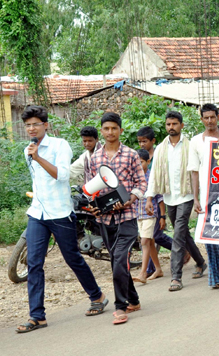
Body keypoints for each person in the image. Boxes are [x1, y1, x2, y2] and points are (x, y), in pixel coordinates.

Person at [16, 106, 107, 333]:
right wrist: (33, 155)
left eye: (36, 124)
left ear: (45, 125)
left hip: (60, 212)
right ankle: (37, 316)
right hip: (37, 213)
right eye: (27, 125)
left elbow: (62, 176)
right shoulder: (28, 149)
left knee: (72, 258)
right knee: (35, 263)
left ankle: (97, 296)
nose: (31, 128)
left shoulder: (59, 145)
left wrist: (37, 157)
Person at [88, 112, 146, 325]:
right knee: (116, 261)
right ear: (101, 131)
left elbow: (141, 183)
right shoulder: (95, 158)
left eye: (114, 128)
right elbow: (91, 188)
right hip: (105, 219)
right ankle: (134, 299)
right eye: (106, 128)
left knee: (120, 258)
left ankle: (120, 307)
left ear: (121, 130)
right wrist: (93, 207)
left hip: (128, 216)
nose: (110, 132)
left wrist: (131, 198)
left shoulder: (131, 155)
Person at [145, 111, 206, 292]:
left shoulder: (190, 146)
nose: (171, 127)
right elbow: (155, 175)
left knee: (178, 234)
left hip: (186, 196)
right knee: (184, 234)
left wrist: (196, 198)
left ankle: (176, 277)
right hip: (169, 197)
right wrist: (150, 197)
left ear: (181, 125)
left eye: (174, 124)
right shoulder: (161, 149)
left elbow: (196, 172)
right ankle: (201, 262)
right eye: (168, 124)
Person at [188, 104, 219, 292]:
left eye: (212, 117)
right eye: (206, 118)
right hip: (207, 195)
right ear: (202, 119)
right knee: (210, 237)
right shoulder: (195, 141)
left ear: (218, 117)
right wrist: (195, 198)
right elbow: (194, 171)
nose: (209, 121)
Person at [132, 149, 167, 284]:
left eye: (140, 162)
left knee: (144, 242)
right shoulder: (134, 177)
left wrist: (162, 216)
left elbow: (159, 198)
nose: (138, 165)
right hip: (138, 213)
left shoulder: (152, 177)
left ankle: (143, 273)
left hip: (150, 213)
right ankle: (158, 269)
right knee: (150, 241)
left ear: (148, 161)